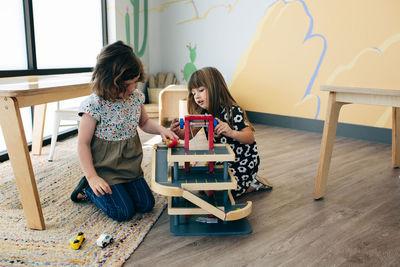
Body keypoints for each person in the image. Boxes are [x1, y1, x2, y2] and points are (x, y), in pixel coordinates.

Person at [70, 41, 179, 221]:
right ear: (109, 82)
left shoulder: (136, 98)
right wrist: (91, 176)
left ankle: (120, 188)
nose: (134, 87)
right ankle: (87, 188)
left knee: (146, 205)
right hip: (104, 169)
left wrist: (161, 129)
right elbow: (83, 143)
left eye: (136, 81)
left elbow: (144, 123)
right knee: (123, 212)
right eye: (128, 84)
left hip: (129, 167)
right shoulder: (94, 104)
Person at [170, 67, 272, 198]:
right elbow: (189, 134)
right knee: (204, 184)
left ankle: (252, 184)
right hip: (220, 158)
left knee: (225, 191)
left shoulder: (233, 111)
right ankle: (227, 185)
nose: (197, 96)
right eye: (193, 93)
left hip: (241, 161)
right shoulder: (203, 113)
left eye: (201, 90)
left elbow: (250, 138)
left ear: (215, 88)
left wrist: (231, 132)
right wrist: (178, 132)